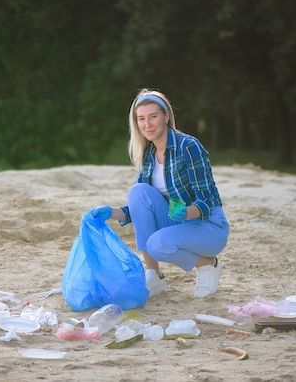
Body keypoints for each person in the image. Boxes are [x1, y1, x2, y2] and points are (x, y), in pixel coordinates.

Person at [88, 88, 230, 298]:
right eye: (141, 119)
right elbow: (140, 208)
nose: (147, 124)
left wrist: (188, 211)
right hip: (179, 223)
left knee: (157, 244)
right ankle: (154, 274)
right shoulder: (148, 154)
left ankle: (208, 264)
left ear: (166, 116)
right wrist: (111, 212)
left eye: (153, 117)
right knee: (138, 191)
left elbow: (208, 199)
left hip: (208, 226)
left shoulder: (188, 146)